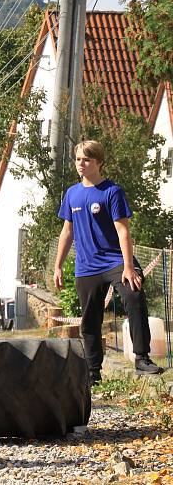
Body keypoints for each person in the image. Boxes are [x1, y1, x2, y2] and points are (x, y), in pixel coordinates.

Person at [53, 140, 164, 387]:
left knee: (134, 296)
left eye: (86, 160)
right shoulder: (72, 194)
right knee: (89, 320)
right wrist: (58, 266)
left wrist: (128, 266)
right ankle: (93, 373)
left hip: (116, 261)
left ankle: (141, 358)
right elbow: (66, 232)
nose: (80, 164)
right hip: (87, 266)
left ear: (99, 163)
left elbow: (123, 231)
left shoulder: (112, 192)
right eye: (78, 159)